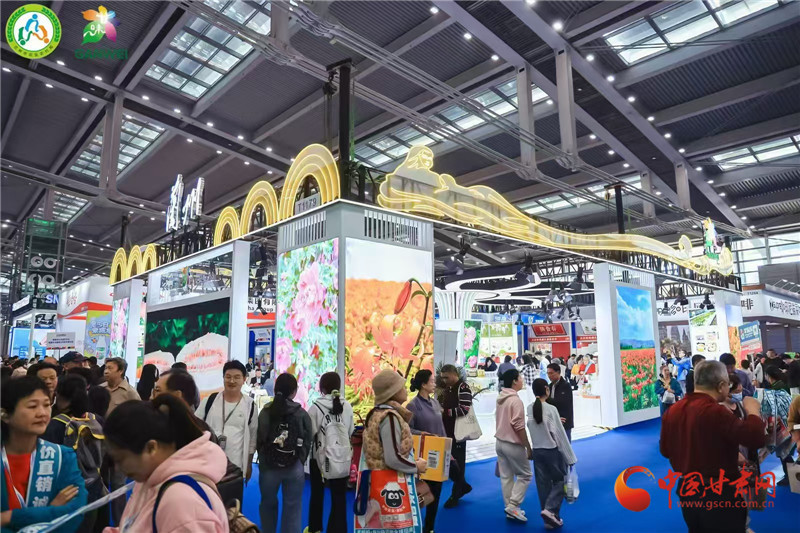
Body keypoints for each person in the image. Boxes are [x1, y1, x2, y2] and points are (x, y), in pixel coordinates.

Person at [660, 361, 765, 533]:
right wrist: (753, 411)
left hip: (688, 492)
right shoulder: (715, 411)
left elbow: (665, 450)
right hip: (719, 494)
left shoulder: (673, 411)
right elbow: (756, 438)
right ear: (721, 385)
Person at [102, 395, 229, 532]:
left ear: (151, 448)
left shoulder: (180, 502)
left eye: (121, 459)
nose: (118, 468)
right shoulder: (149, 481)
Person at [1, 376, 87, 532]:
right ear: (5, 415)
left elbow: (74, 512)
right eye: (32, 406)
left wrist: (9, 517)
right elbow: (60, 515)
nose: (42, 413)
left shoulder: (62, 457)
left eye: (47, 405)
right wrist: (50, 510)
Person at [42, 374, 106, 533]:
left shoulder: (55, 425)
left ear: (61, 396)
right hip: (94, 484)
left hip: (65, 492)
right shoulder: (96, 419)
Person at [361, 370, 428, 517]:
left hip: (381, 483)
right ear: (393, 391)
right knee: (396, 523)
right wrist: (416, 466)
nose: (405, 389)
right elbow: (392, 458)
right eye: (401, 386)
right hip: (391, 485)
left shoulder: (377, 414)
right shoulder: (390, 417)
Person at [257, 373, 312, 533]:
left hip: (269, 467)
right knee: (293, 507)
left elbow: (259, 438)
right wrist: (300, 460)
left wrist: (264, 458)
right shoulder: (301, 413)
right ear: (294, 392)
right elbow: (308, 439)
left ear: (275, 390)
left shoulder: (266, 412)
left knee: (267, 504)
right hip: (294, 467)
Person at [307, 372, 353, 533]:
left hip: (319, 459)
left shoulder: (316, 407)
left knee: (317, 495)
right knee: (339, 498)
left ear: (322, 387)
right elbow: (350, 431)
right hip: (342, 457)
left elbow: (310, 433)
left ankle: (315, 529)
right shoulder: (347, 406)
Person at [528, 378, 577, 529]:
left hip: (537, 451)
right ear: (546, 390)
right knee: (561, 481)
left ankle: (549, 519)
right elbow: (560, 435)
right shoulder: (551, 409)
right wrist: (570, 458)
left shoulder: (530, 408)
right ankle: (550, 511)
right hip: (552, 452)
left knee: (543, 486)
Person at [196, 360, 257, 481]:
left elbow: (253, 438)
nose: (232, 381)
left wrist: (249, 464)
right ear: (223, 378)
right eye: (228, 377)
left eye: (237, 377)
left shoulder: (250, 405)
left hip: (235, 467)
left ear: (244, 379)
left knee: (233, 493)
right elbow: (195, 425)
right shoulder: (210, 401)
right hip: (208, 464)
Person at [407, 370, 449, 533]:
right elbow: (408, 430)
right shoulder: (413, 405)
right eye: (432, 381)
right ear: (423, 384)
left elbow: (441, 428)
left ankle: (429, 527)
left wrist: (447, 451)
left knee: (436, 493)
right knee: (421, 494)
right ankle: (413, 525)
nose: (435, 383)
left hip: (438, 454)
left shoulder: (435, 403)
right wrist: (422, 433)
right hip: (422, 456)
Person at [494, 369, 532, 522]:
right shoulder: (515, 401)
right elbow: (518, 426)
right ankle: (513, 505)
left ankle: (510, 508)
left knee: (506, 476)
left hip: (500, 442)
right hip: (513, 444)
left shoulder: (501, 398)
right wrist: (527, 446)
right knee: (525, 475)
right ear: (515, 381)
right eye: (520, 377)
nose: (522, 380)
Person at [438, 364, 473, 507]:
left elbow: (464, 409)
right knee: (452, 463)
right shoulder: (449, 388)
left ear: (454, 374)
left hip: (458, 432)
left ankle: (456, 494)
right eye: (443, 378)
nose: (444, 380)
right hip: (448, 432)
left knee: (458, 463)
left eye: (446, 377)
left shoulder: (463, 388)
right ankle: (462, 486)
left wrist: (445, 412)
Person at [545, 363, 574, 441]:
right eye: (548, 373)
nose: (549, 376)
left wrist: (548, 398)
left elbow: (564, 404)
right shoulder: (549, 386)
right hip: (553, 422)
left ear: (558, 372)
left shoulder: (566, 386)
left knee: (566, 446)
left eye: (551, 373)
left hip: (564, 422)